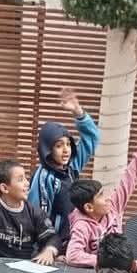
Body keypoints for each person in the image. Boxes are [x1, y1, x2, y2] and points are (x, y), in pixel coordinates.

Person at [65, 113, 137, 267]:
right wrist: (109, 262)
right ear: (89, 207)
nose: (107, 199)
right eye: (100, 196)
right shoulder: (81, 226)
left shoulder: (112, 207)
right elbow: (72, 256)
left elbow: (129, 179)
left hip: (120, 269)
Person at [28, 85, 99, 249]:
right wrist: (49, 249)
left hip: (72, 242)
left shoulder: (71, 167)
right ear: (48, 148)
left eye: (68, 144)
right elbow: (37, 217)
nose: (66, 150)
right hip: (52, 246)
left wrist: (78, 112)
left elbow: (91, 138)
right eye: (59, 145)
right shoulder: (44, 177)